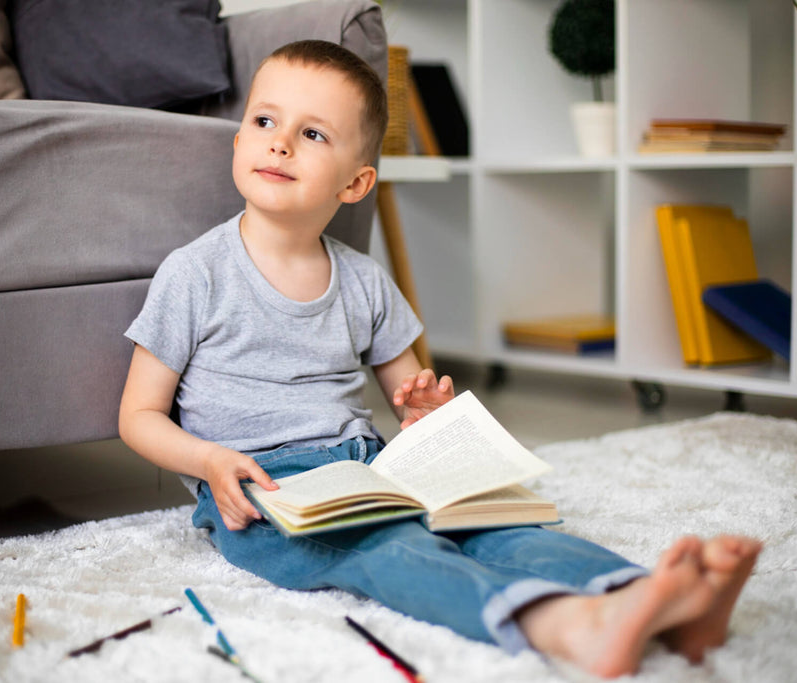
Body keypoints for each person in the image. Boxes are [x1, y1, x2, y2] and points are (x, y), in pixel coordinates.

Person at [118, 39, 762, 678]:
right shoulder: (196, 273)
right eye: (264, 121)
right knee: (391, 548)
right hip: (261, 488)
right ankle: (566, 627)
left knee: (491, 527)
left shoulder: (364, 280)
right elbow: (139, 415)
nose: (280, 142)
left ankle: (649, 599)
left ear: (356, 182)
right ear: (238, 143)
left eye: (312, 133)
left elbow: (417, 401)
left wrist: (428, 414)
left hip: (367, 467)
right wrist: (210, 463)